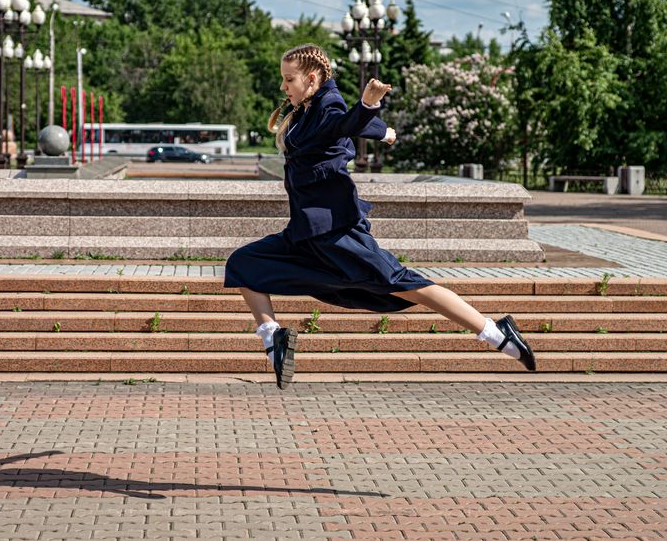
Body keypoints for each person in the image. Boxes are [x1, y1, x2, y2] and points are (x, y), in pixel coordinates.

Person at [224, 44, 536, 389]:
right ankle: (273, 339)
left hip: (336, 230)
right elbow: (344, 130)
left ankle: (495, 332)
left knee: (406, 284)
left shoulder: (327, 102)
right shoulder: (305, 109)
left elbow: (344, 122)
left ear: (311, 78)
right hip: (305, 232)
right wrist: (381, 130)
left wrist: (368, 105)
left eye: (289, 79)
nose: (284, 87)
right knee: (243, 264)